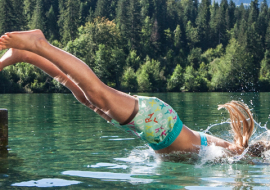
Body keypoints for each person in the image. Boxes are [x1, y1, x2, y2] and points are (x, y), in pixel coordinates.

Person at [0, 29, 254, 156]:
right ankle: (39, 44)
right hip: (161, 126)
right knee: (97, 93)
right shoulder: (233, 154)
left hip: (158, 127)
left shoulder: (228, 149)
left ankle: (26, 55)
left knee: (86, 97)